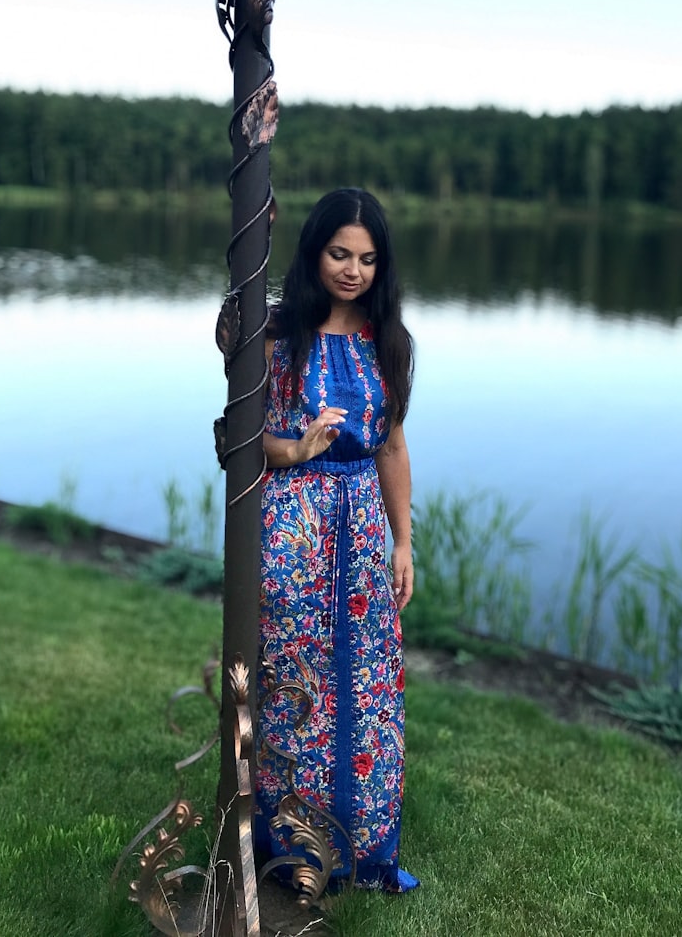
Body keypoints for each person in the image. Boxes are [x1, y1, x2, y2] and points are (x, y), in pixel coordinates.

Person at [254, 188, 419, 893]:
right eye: (340, 254)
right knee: (299, 681)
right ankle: (292, 849)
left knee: (368, 681)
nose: (353, 270)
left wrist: (402, 540)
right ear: (314, 251)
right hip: (294, 522)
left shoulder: (388, 340)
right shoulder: (275, 336)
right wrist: (294, 450)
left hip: (360, 526)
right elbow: (243, 437)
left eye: (368, 259)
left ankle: (366, 849)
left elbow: (392, 444)